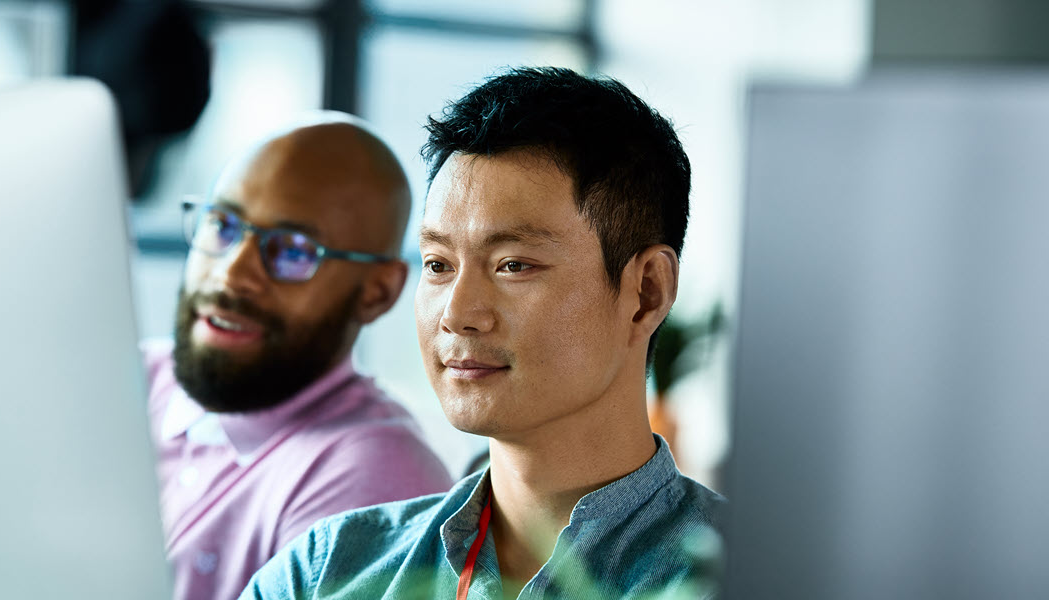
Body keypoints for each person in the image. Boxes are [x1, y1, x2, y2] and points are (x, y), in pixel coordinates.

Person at [241, 67, 726, 600]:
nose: (458, 313)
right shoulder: (325, 571)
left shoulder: (752, 578)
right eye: (437, 263)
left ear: (647, 293)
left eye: (513, 265)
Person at [143, 114, 454, 600]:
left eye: (292, 251)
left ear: (377, 292)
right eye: (222, 225)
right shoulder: (129, 377)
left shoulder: (372, 474)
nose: (231, 275)